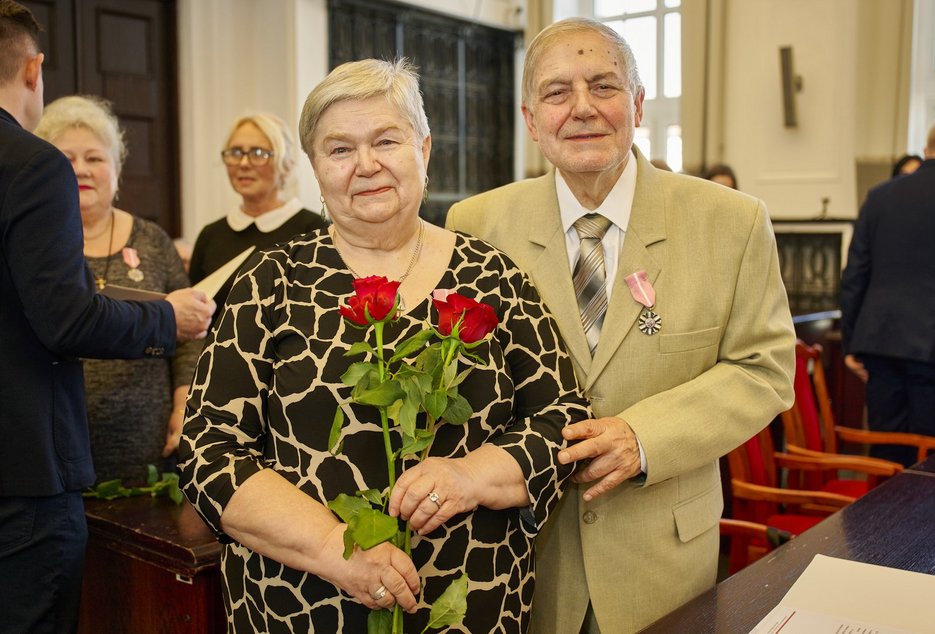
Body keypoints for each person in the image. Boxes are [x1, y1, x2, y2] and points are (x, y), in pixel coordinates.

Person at [178, 58, 590, 633]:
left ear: (424, 149)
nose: (366, 164)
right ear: (315, 168)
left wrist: (471, 476)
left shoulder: (493, 277)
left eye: (386, 141)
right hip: (300, 605)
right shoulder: (271, 283)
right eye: (340, 149)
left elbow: (563, 418)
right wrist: (334, 549)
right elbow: (209, 451)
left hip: (470, 603)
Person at [446, 18, 796, 633]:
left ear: (636, 104)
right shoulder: (477, 225)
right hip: (525, 558)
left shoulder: (731, 223)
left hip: (662, 558)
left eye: (603, 86)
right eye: (557, 92)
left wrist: (644, 436)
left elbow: (763, 370)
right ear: (532, 120)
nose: (582, 108)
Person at [0, 2, 214, 632]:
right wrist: (165, 319)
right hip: (24, 474)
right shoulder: (30, 165)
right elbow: (65, 320)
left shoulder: (147, 236)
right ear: (34, 69)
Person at [35, 95, 202, 481]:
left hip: (152, 454)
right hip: (54, 456)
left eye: (94, 158)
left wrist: (183, 408)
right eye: (66, 158)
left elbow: (190, 335)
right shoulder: (35, 246)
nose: (81, 169)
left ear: (117, 168)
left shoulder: (153, 240)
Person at [840, 118, 935, 467]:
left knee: (886, 451)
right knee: (934, 459)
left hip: (880, 343)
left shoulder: (880, 196)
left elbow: (855, 273)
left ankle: (883, 505)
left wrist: (851, 342)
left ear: (927, 150)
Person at [189, 111, 328, 324]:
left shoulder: (315, 231)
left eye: (259, 153)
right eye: (236, 152)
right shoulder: (211, 235)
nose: (244, 163)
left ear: (286, 164)